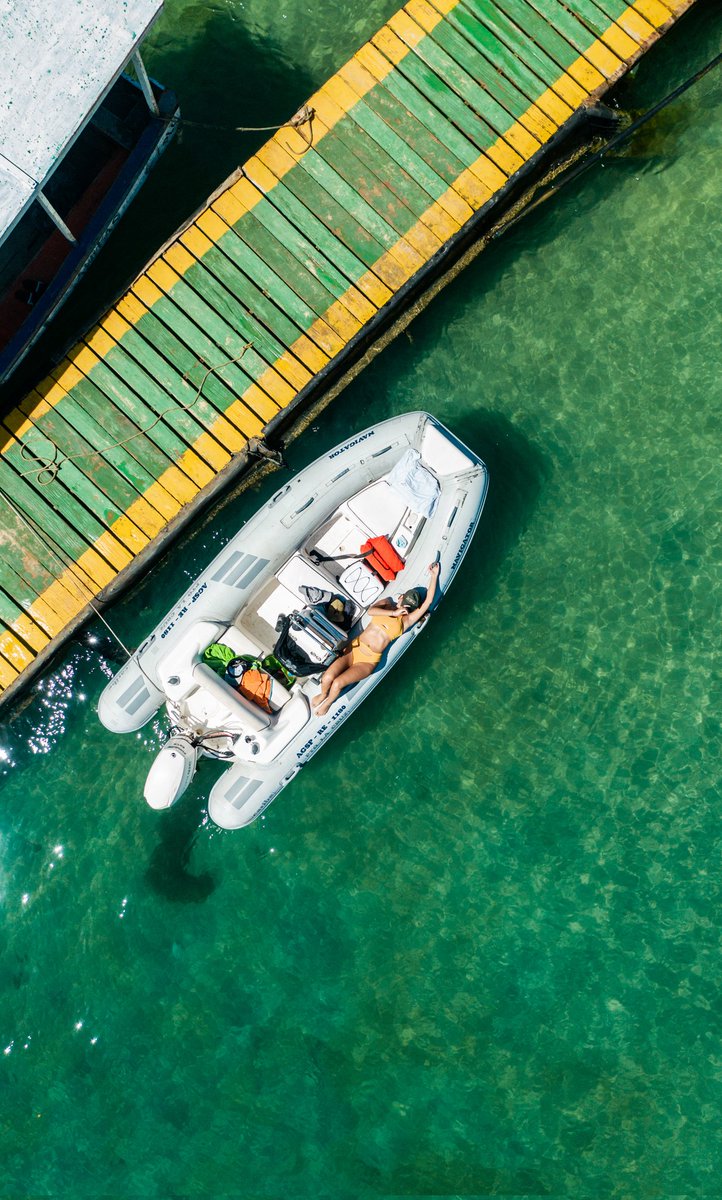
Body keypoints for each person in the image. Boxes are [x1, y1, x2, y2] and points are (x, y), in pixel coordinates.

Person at [311, 561, 440, 717]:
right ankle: (324, 694)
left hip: (368, 661)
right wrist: (393, 613)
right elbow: (371, 611)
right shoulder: (386, 605)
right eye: (404, 604)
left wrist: (434, 576)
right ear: (400, 598)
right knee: (327, 678)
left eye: (408, 608)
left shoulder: (406, 621)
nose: (405, 609)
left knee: (338, 683)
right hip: (354, 650)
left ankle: (328, 703)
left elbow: (428, 603)